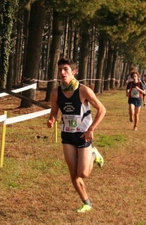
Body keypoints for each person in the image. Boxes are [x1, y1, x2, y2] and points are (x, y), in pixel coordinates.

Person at [47, 58, 106, 213]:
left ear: (74, 71)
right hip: (67, 135)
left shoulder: (84, 91)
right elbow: (54, 112)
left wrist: (91, 129)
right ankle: (86, 202)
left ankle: (93, 154)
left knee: (83, 173)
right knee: (73, 173)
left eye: (65, 69)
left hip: (83, 135)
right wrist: (51, 119)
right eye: (60, 70)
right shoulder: (55, 93)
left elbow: (102, 110)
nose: (62, 73)